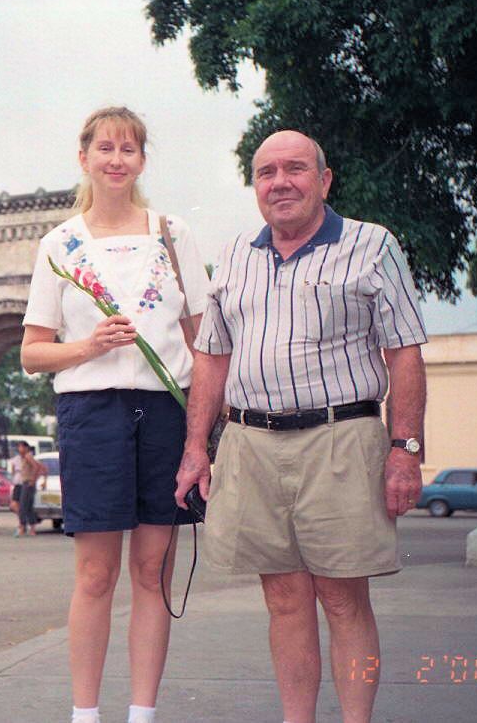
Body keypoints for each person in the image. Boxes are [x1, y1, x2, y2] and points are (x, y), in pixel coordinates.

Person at [176, 130, 427, 723]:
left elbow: (405, 353)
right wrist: (195, 447)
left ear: (324, 180)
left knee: (343, 599)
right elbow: (211, 357)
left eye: (295, 169)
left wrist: (405, 449)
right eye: (267, 172)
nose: (280, 182)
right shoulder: (236, 255)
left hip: (341, 441)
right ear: (255, 186)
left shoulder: (372, 246)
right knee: (284, 599)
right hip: (251, 444)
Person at [21, 106, 208, 723]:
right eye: (105, 148)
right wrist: (88, 347)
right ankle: (85, 713)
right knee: (96, 574)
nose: (116, 159)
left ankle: (142, 712)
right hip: (91, 411)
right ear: (84, 158)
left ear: (142, 160)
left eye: (128, 149)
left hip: (166, 413)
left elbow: (204, 342)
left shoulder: (173, 235)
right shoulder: (60, 244)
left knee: (152, 572)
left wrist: (203, 434)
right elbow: (32, 352)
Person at [14, 440, 47, 538]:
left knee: (23, 506)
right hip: (26, 483)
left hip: (28, 483)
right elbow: (42, 467)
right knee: (28, 507)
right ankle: (32, 529)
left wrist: (33, 480)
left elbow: (36, 467)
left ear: (26, 448)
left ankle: (22, 527)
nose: (19, 449)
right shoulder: (27, 457)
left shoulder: (28, 456)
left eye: (21, 447)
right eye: (18, 447)